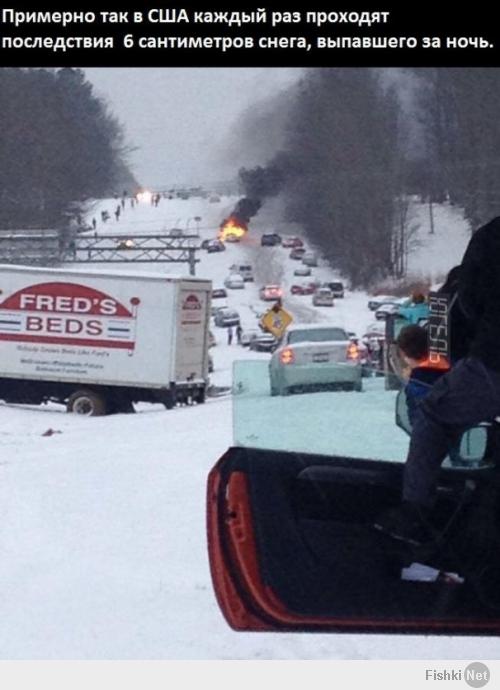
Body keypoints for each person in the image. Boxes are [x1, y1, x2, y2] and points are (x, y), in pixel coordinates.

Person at [374, 217, 500, 545]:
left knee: (435, 415)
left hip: (494, 362)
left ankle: (414, 515)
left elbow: (465, 308)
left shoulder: (489, 241)